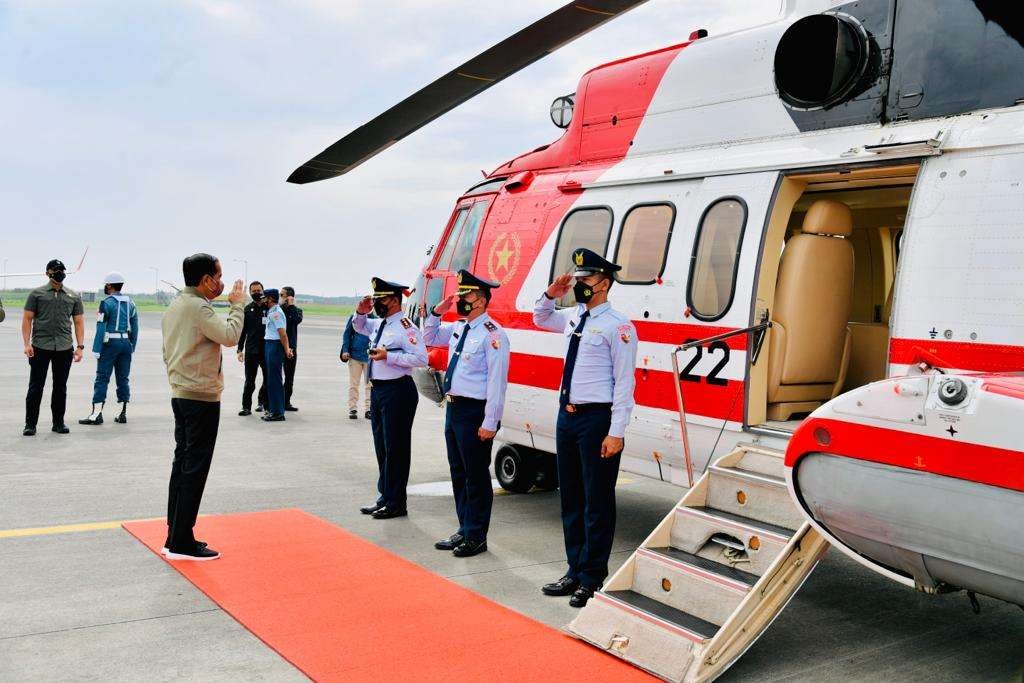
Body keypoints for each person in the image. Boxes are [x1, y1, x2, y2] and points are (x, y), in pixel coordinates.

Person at [534, 247, 638, 608]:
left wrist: (617, 431)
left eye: (585, 279)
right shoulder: (574, 317)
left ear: (604, 284)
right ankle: (574, 569)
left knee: (597, 500)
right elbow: (540, 317)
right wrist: (552, 292)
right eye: (577, 278)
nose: (578, 284)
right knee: (571, 497)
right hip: (568, 416)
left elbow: (625, 384)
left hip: (597, 420)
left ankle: (593, 576)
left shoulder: (618, 326)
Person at [161, 253, 245, 561]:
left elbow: (166, 349)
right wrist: (238, 304)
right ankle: (182, 540)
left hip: (181, 393)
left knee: (181, 465)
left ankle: (175, 533)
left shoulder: (176, 305)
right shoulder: (198, 307)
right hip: (200, 397)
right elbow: (230, 335)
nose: (222, 283)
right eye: (219, 276)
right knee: (194, 468)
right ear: (206, 280)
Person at [422, 270, 509, 558]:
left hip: (475, 412)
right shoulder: (460, 328)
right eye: (461, 294)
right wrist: (438, 311)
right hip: (454, 408)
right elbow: (429, 335)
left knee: (476, 476)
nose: (461, 299)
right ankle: (464, 528)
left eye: (467, 295)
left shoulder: (493, 335)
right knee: (458, 472)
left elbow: (497, 382)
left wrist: (490, 421)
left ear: (482, 301)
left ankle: (477, 536)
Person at [352, 277, 427, 519]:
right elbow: (359, 327)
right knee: (382, 447)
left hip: (398, 391)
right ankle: (385, 496)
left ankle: (397, 502)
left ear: (395, 300)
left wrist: (389, 357)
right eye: (375, 299)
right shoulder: (380, 324)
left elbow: (420, 359)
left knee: (396, 448)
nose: (377, 303)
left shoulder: (407, 328)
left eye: (380, 299)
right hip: (379, 391)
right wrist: (360, 313)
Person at [22, 259, 85, 436]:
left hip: (64, 348)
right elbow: (27, 319)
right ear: (47, 273)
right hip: (40, 346)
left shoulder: (73, 296)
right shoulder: (37, 294)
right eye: (56, 270)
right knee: (36, 386)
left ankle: (58, 423)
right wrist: (27, 344)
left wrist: (80, 347)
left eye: (62, 270)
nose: (60, 273)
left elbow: (78, 322)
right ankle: (30, 424)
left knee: (60, 386)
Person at [80, 272, 139, 426]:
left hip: (109, 344)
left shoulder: (106, 303)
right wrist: (132, 345)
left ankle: (96, 414)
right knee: (123, 378)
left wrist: (96, 348)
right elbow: (135, 327)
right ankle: (122, 413)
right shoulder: (131, 303)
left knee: (102, 378)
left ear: (110, 286)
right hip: (126, 343)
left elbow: (101, 327)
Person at [260, 288, 293, 422]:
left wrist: (286, 349)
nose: (263, 300)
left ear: (271, 298)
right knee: (271, 380)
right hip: (270, 345)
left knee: (275, 380)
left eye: (265, 298)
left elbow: (282, 333)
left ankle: (278, 412)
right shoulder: (272, 312)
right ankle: (274, 410)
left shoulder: (276, 313)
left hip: (275, 346)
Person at [236, 281, 267, 416]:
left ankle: (262, 403)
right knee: (250, 381)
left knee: (268, 379)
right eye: (253, 291)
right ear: (250, 293)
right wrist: (239, 349)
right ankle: (246, 407)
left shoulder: (269, 308)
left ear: (263, 290)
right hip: (251, 350)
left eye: (258, 290)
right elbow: (243, 331)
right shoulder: (247, 309)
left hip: (267, 350)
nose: (256, 293)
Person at [340, 311, 372, 419]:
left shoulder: (375, 319)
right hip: (355, 356)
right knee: (354, 384)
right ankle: (353, 408)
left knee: (370, 385)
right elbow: (347, 334)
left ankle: (369, 409)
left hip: (370, 358)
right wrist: (345, 350)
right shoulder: (354, 318)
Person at [280, 286, 303, 411]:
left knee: (289, 377)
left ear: (289, 297)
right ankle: (265, 401)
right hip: (278, 346)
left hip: (291, 348)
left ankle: (286, 402)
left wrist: (291, 306)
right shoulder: (278, 310)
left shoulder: (297, 311)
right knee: (274, 376)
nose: (280, 297)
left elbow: (296, 320)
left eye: (282, 295)